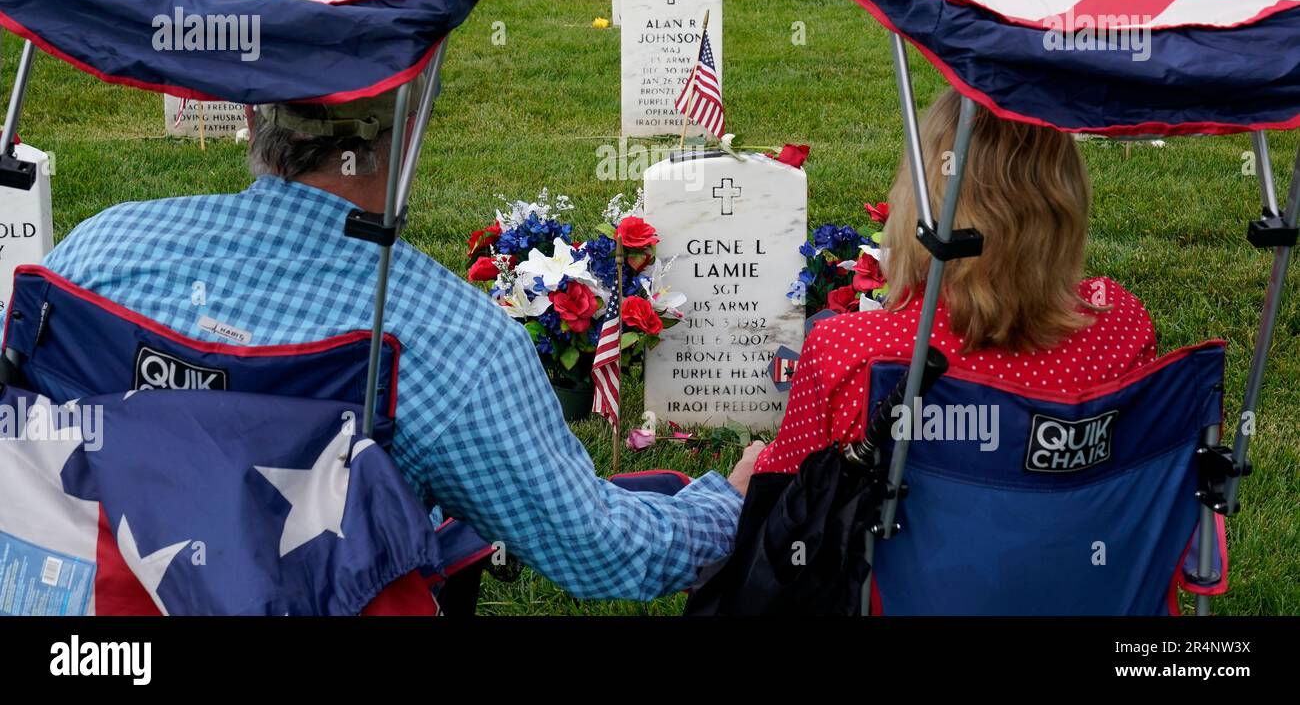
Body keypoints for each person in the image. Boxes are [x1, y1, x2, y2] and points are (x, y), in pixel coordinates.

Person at [44, 79, 763, 602]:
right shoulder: (449, 340)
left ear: (250, 108)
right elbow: (604, 553)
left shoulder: (99, 246)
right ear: (410, 122)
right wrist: (729, 503)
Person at [755, 87, 1157, 475]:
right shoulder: (1120, 326)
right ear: (1065, 204)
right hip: (1080, 542)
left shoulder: (848, 351)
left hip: (900, 545)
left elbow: (786, 499)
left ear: (920, 199)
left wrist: (749, 474)